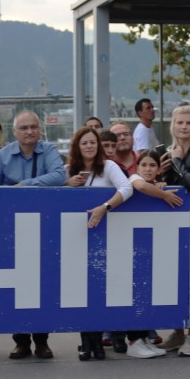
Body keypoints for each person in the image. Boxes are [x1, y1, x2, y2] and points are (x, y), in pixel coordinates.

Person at [0, 110, 68, 359]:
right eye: (24, 128)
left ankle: (42, 340)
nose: (29, 132)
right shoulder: (2, 156)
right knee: (17, 286)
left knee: (42, 283)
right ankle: (21, 340)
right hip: (12, 229)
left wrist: (24, 186)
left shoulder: (49, 151)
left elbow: (59, 176)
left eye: (33, 127)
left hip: (45, 226)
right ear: (14, 132)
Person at [64, 125, 147, 360]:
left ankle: (99, 341)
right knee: (81, 291)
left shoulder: (109, 167)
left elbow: (127, 188)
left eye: (93, 142)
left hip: (107, 237)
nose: (89, 146)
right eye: (84, 143)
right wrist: (67, 183)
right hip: (78, 238)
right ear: (77, 148)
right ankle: (85, 341)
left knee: (100, 290)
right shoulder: (69, 170)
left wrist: (105, 207)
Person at [151, 104, 190, 356]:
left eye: (188, 123)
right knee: (169, 278)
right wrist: (159, 176)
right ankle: (176, 331)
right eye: (179, 123)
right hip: (167, 221)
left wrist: (176, 161)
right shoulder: (159, 152)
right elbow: (150, 180)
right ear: (172, 126)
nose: (184, 127)